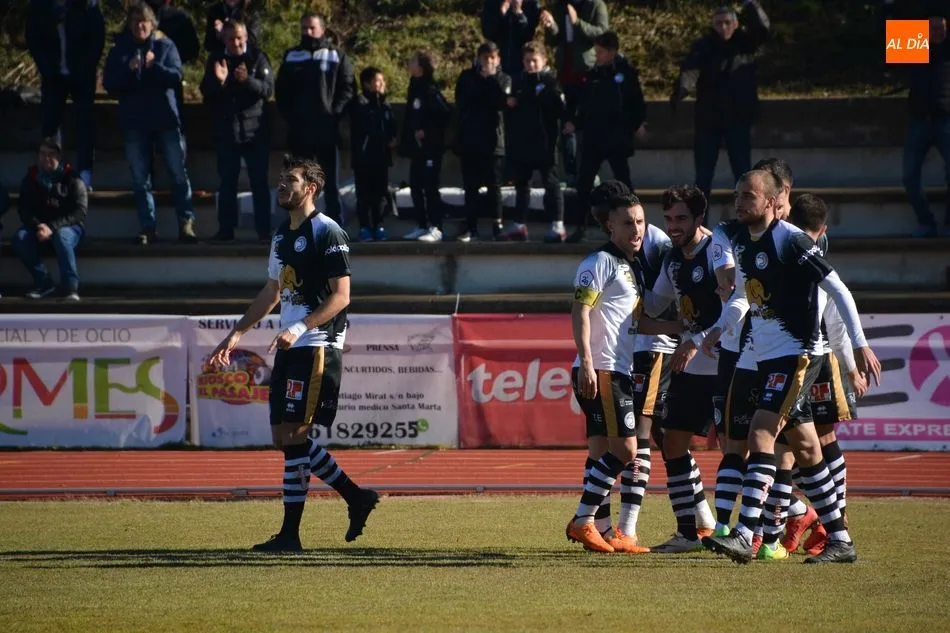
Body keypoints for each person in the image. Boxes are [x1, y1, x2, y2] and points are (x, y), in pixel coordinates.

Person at [702, 170, 882, 564]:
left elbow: (838, 289)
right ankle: (841, 540)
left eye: (748, 196)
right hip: (766, 357)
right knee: (806, 447)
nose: (739, 202)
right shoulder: (741, 240)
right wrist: (717, 329)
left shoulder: (791, 240)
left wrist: (860, 344)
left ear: (771, 201)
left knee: (760, 434)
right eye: (737, 195)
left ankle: (744, 533)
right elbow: (743, 294)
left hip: (797, 355)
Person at [208, 156, 379, 552]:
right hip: (290, 344)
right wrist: (237, 332)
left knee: (295, 435)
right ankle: (355, 497)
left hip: (316, 343)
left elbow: (342, 296)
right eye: (281, 179)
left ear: (311, 188)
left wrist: (300, 327)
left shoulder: (328, 230)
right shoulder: (281, 235)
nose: (282, 185)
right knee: (283, 438)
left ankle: (291, 534)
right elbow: (272, 292)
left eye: (291, 180)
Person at [567, 192, 684, 554]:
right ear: (610, 227)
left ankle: (602, 530)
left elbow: (638, 323)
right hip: (603, 369)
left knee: (604, 449)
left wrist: (682, 328)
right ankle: (583, 520)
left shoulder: (631, 267)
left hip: (617, 369)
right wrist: (587, 362)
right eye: (627, 223)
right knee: (628, 449)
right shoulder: (599, 261)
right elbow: (579, 311)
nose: (636, 229)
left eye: (640, 221)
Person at [643, 185, 720, 553]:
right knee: (673, 443)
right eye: (668, 218)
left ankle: (776, 522)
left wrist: (696, 339)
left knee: (744, 449)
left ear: (699, 218)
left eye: (681, 218)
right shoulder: (672, 259)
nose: (673, 226)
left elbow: (739, 308)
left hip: (732, 364)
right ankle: (687, 534)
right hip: (691, 367)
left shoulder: (719, 251)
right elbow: (654, 304)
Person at [102, 2, 197, 245]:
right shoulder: (121, 49)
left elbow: (176, 76)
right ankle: (148, 226)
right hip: (135, 121)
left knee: (178, 172)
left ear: (152, 24)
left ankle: (186, 223)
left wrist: (155, 67)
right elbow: (110, 83)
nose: (139, 26)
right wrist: (129, 70)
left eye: (143, 21)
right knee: (140, 178)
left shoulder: (166, 45)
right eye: (135, 21)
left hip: (165, 119)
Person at [671, 1, 770, 201]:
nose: (723, 27)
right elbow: (691, 69)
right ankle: (700, 217)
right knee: (703, 176)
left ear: (735, 24)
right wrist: (682, 88)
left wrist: (752, 5)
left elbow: (763, 29)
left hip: (738, 116)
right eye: (718, 23)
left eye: (727, 23)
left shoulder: (745, 43)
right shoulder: (704, 46)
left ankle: (748, 216)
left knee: (743, 174)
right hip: (709, 118)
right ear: (712, 24)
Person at [564, 31, 646, 242]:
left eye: (600, 52)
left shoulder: (625, 72)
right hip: (594, 137)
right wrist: (574, 122)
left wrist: (637, 124)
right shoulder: (591, 75)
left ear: (611, 52)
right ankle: (580, 226)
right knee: (584, 182)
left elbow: (636, 102)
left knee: (624, 183)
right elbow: (583, 104)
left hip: (617, 136)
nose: (597, 55)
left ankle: (636, 225)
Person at [275, 13, 355, 223]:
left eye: (312, 28)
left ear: (322, 30)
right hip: (300, 133)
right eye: (304, 28)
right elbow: (281, 91)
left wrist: (334, 115)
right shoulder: (291, 56)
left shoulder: (336, 55)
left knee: (330, 183)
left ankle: (335, 226)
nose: (307, 32)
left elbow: (347, 89)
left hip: (327, 131)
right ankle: (300, 225)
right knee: (298, 183)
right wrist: (292, 117)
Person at [200, 20, 274, 243]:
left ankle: (264, 231)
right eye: (231, 38)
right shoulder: (216, 59)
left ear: (246, 36)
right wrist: (220, 82)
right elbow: (206, 93)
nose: (236, 43)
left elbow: (268, 90)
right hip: (227, 131)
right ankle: (226, 230)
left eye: (240, 38)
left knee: (259, 183)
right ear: (224, 39)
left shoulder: (258, 57)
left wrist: (247, 80)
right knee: (227, 183)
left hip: (255, 131)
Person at [26, 0, 105, 190]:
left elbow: (97, 39)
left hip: (82, 75)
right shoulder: (39, 6)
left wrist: (86, 69)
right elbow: (33, 39)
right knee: (50, 125)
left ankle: (84, 176)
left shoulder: (87, 5)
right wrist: (46, 69)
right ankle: (50, 174)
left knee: (84, 123)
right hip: (52, 75)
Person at [502, 41, 566, 242]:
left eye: (534, 61)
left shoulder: (550, 82)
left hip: (545, 142)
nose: (530, 65)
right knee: (522, 184)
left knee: (551, 183)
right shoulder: (517, 81)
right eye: (527, 61)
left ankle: (558, 224)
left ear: (543, 60)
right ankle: (519, 224)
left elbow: (560, 109)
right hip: (523, 141)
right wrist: (509, 103)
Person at [541, 0, 609, 184]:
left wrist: (577, 22)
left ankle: (590, 171)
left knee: (588, 124)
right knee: (566, 126)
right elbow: (554, 40)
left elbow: (603, 33)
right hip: (565, 72)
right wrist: (551, 26)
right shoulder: (560, 6)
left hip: (586, 71)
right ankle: (571, 172)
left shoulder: (595, 5)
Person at [12, 138, 86, 301]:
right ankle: (44, 283)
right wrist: (39, 225)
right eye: (43, 154)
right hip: (39, 228)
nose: (46, 158)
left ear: (59, 157)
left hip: (69, 227)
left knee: (62, 236)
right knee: (20, 238)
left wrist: (52, 227)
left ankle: (70, 288)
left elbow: (80, 212)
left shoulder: (73, 178)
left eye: (51, 154)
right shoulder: (30, 178)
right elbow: (23, 210)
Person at [454, 42, 511, 242]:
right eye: (485, 58)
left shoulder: (504, 78)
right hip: (470, 139)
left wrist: (491, 79)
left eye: (492, 58)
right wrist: (481, 81)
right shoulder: (467, 77)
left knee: (494, 186)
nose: (489, 62)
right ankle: (471, 227)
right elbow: (462, 101)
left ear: (498, 59)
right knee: (470, 186)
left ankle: (497, 225)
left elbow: (501, 102)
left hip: (494, 141)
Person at [901, 15, 950, 237]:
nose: (938, 33)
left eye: (942, 28)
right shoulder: (914, 49)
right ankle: (926, 222)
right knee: (910, 177)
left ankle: (948, 223)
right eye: (933, 29)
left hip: (945, 119)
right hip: (919, 120)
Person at [398, 51, 451, 242]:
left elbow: (445, 113)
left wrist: (427, 131)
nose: (410, 64)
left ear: (420, 67)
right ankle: (421, 225)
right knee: (415, 186)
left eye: (413, 61)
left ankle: (436, 227)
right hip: (417, 149)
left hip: (430, 148)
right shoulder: (414, 86)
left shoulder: (430, 89)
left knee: (430, 187)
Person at [350, 67, 397, 242]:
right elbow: (368, 128)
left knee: (380, 194)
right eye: (378, 81)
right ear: (367, 84)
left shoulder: (385, 105)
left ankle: (379, 225)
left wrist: (392, 139)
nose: (382, 84)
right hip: (364, 158)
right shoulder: (360, 104)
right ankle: (364, 227)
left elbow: (391, 125)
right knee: (364, 194)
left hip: (381, 158)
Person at [480, 0, 541, 75]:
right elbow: (487, 32)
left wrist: (519, 14)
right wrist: (501, 14)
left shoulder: (531, 4)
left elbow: (531, 34)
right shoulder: (491, 3)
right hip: (498, 61)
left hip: (523, 62)